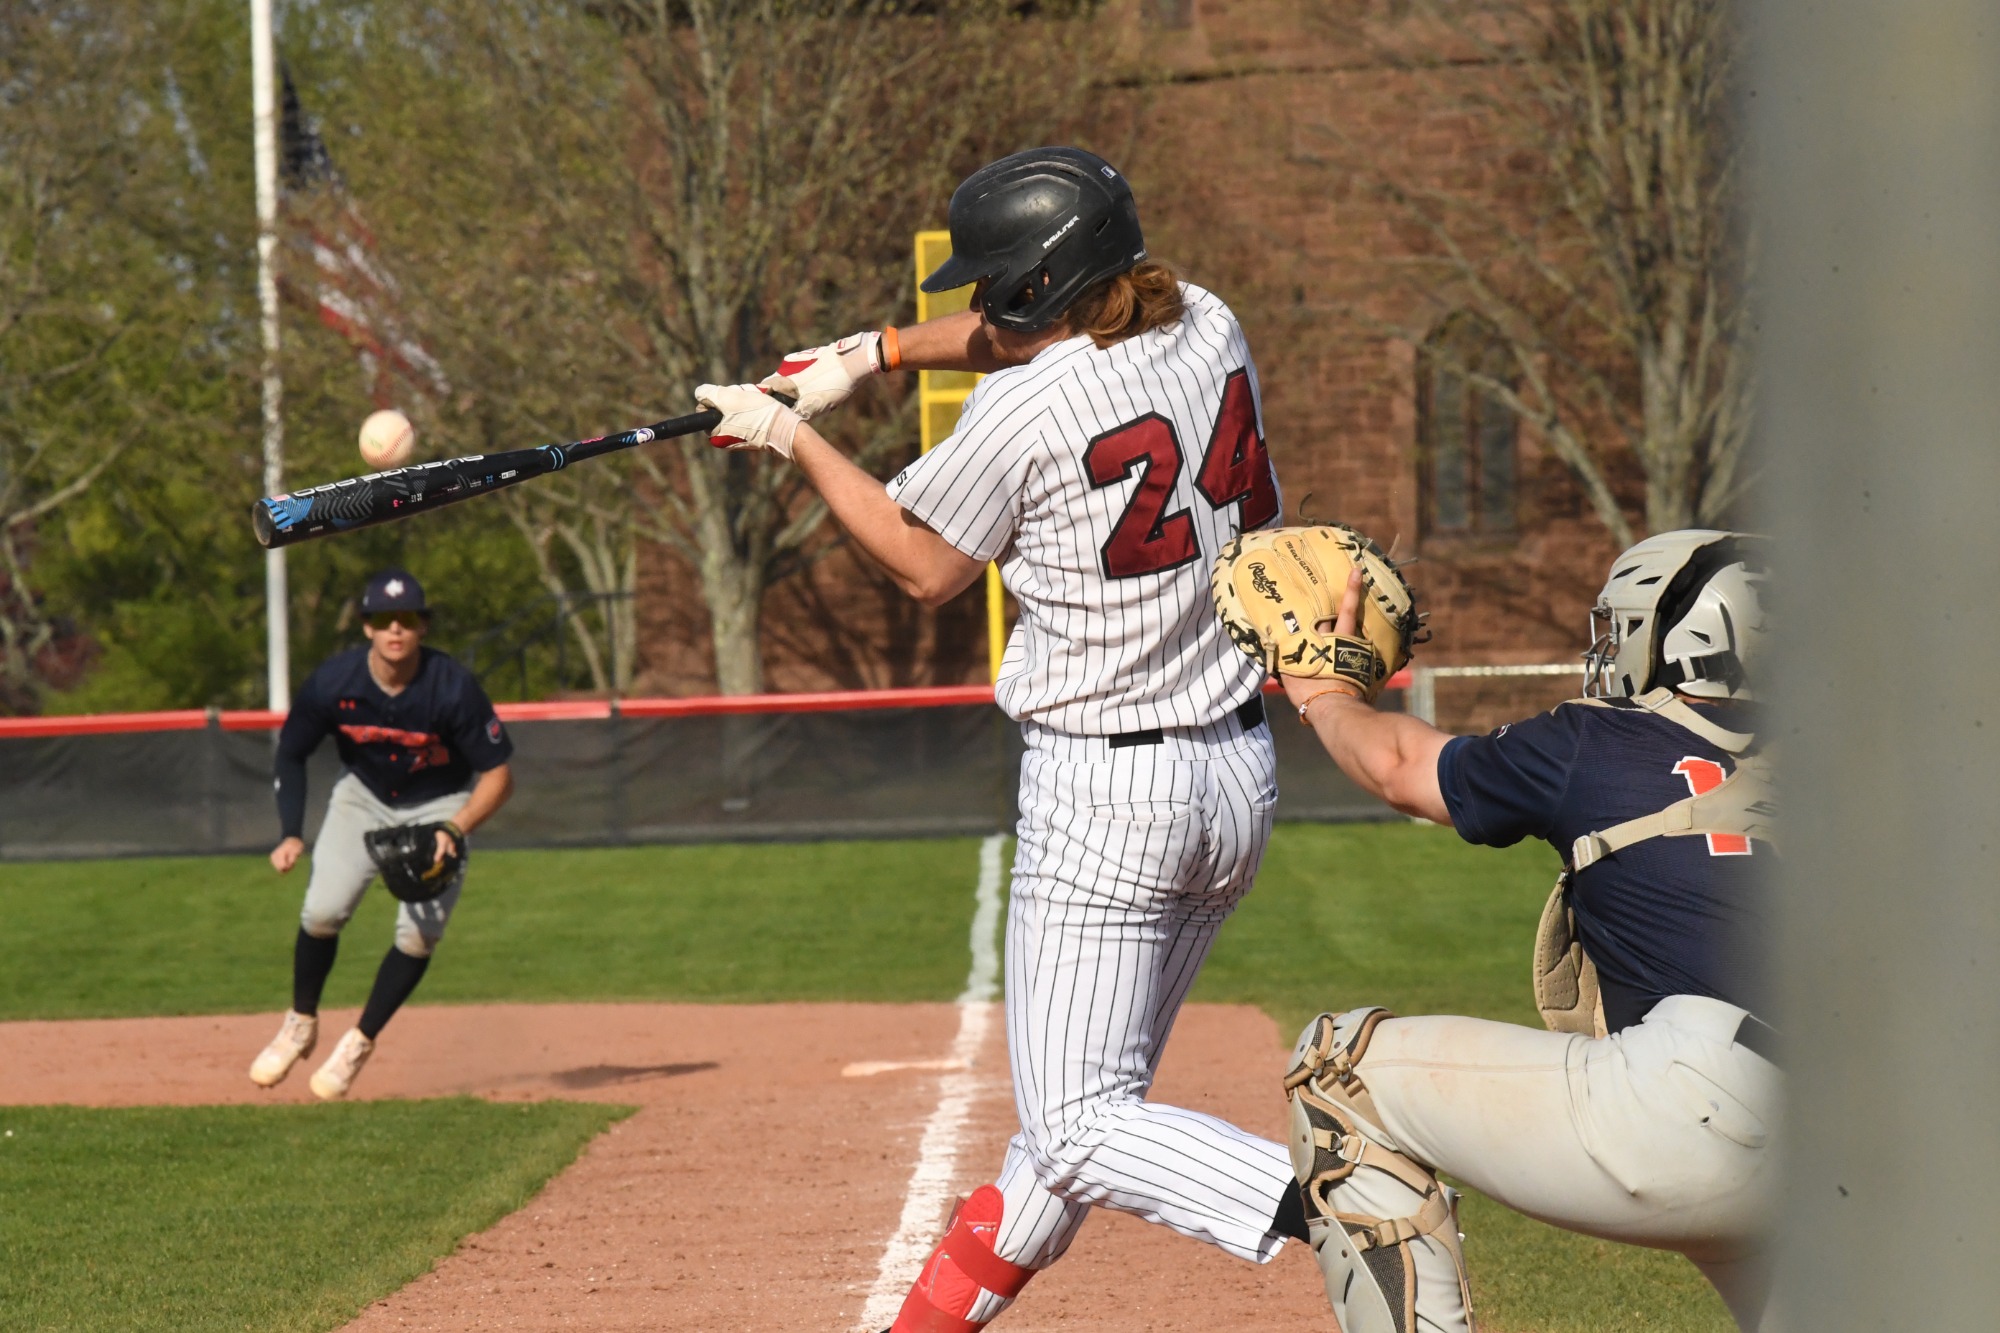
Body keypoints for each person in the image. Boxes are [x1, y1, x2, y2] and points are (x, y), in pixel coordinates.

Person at [695, 147, 1305, 1331]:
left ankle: (1332, 1195)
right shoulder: (1209, 324)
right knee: (1080, 1119)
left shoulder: (1018, 409)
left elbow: (925, 566)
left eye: (995, 286)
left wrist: (790, 438)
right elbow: (1036, 339)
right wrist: (865, 357)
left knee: (1079, 1129)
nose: (977, 305)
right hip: (1234, 778)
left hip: (1106, 795)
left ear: (1038, 286)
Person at [1274, 530, 1777, 1332]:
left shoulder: (1597, 741)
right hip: (1854, 1135)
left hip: (1696, 1097)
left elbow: (1401, 767)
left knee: (1340, 1070)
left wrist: (1324, 693)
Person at [249, 569, 515, 1100]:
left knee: (419, 935)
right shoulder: (334, 682)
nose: (397, 629)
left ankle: (358, 1043)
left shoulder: (452, 687)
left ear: (423, 627)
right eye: (384, 619)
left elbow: (500, 774)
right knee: (323, 911)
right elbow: (292, 752)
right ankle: (301, 1022)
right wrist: (290, 832)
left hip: (439, 802)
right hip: (364, 796)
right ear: (367, 627)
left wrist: (455, 827)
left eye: (409, 619)